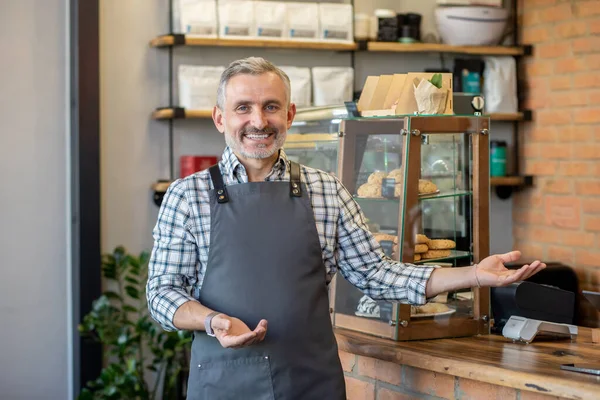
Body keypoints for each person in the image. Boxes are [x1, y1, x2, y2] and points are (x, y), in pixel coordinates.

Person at [146, 57, 546, 400]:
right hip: (224, 384)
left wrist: (474, 274)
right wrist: (211, 321)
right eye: (243, 108)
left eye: (271, 107)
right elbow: (162, 294)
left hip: (311, 383)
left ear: (289, 114)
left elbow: (377, 273)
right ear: (220, 118)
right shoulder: (188, 195)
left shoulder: (325, 190)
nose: (258, 121)